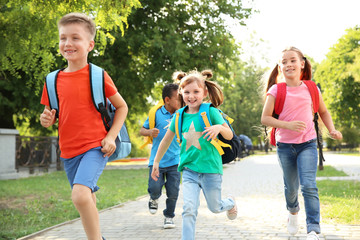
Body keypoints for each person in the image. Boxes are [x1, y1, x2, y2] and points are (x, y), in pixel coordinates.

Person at [39, 13, 128, 240]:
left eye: (75, 38)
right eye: (63, 38)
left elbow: (122, 107)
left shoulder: (98, 75)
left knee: (79, 196)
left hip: (95, 147)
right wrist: (46, 119)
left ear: (90, 45)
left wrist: (110, 137)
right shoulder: (52, 80)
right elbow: (52, 114)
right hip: (68, 151)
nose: (68, 43)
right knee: (87, 197)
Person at [261, 46, 342, 240]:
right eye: (284, 62)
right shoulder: (276, 90)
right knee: (291, 188)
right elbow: (265, 118)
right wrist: (286, 125)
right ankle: (293, 211)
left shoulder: (311, 88)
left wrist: (331, 129)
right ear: (280, 67)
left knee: (309, 186)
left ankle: (313, 228)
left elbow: (323, 111)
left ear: (302, 64)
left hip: (308, 144)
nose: (288, 64)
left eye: (292, 60)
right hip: (285, 147)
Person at [151, 70, 237, 240]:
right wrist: (156, 162)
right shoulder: (179, 116)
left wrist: (219, 128)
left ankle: (230, 203)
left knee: (215, 207)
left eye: (196, 92)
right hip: (189, 170)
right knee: (189, 208)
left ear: (204, 93)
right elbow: (166, 140)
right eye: (187, 92)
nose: (191, 96)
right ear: (181, 93)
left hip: (211, 168)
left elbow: (230, 135)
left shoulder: (210, 111)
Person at [139, 83, 181, 229]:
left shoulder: (182, 114)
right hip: (156, 161)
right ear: (167, 100)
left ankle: (169, 217)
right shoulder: (156, 113)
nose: (181, 101)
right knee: (155, 187)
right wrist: (150, 132)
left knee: (173, 192)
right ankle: (154, 198)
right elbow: (141, 130)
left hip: (175, 160)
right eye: (178, 98)